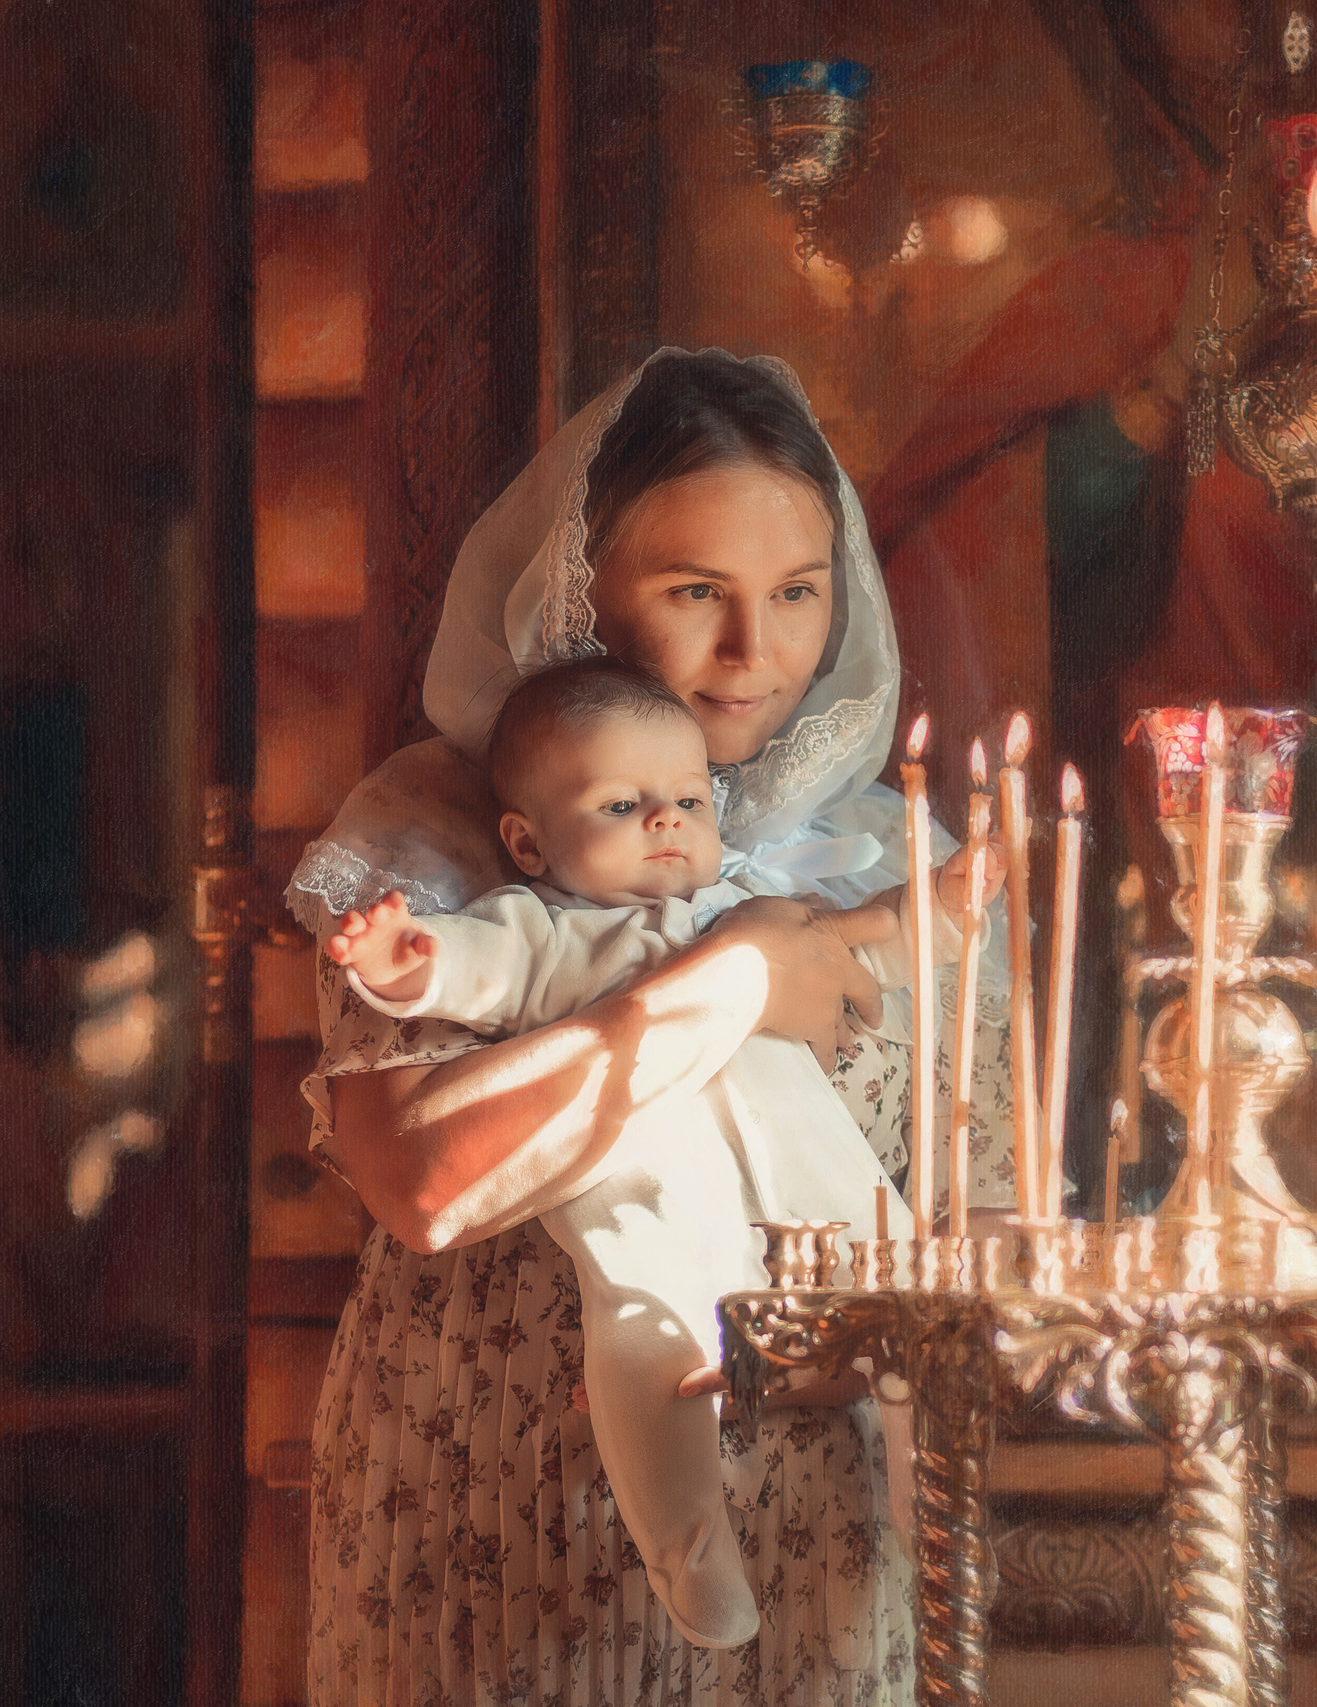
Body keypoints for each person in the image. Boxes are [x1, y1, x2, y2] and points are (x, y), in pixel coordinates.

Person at [285, 348, 1018, 1707]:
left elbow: (984, 1214)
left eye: (797, 591)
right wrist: (728, 981)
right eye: (695, 592)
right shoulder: (431, 842)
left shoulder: (897, 857)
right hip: (503, 1481)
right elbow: (425, 1184)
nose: (755, 651)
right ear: (580, 594)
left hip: (827, 1512)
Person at [325, 657, 995, 1655]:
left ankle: (931, 1496)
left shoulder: (748, 909)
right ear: (529, 841)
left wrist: (943, 903)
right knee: (653, 1339)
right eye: (621, 804)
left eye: (688, 800)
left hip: (806, 1154)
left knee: (909, 1299)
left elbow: (875, 944)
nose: (666, 821)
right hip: (649, 1185)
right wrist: (402, 964)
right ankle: (688, 1550)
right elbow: (465, 968)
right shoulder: (542, 931)